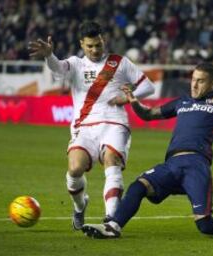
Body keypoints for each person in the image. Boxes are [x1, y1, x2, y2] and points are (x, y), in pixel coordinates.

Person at [82, 62, 213, 238]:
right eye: (193, 79)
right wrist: (134, 101)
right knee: (138, 186)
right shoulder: (183, 101)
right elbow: (149, 115)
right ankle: (113, 227)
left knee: (206, 226)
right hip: (171, 164)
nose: (194, 84)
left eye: (201, 81)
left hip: (196, 165)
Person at [28, 21, 155, 230]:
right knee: (75, 168)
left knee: (111, 160)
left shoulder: (119, 63)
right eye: (90, 46)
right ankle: (80, 206)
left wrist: (126, 98)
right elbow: (59, 70)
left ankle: (112, 219)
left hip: (115, 122)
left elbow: (147, 87)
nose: (95, 50)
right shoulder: (76, 64)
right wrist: (49, 55)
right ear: (81, 44)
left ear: (103, 40)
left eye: (98, 44)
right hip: (84, 126)